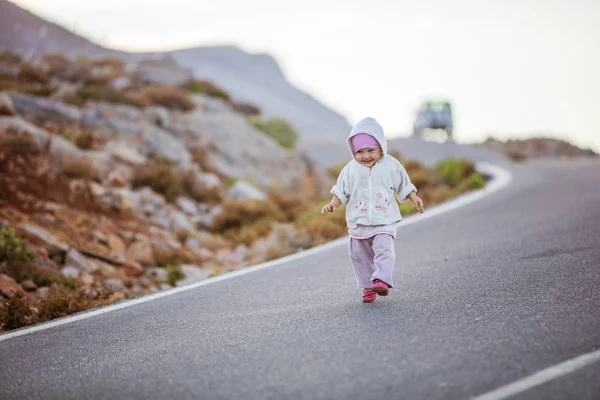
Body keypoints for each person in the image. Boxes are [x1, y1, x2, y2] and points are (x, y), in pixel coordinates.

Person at [321, 117, 424, 303]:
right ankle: (368, 287)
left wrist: (414, 198)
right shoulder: (350, 170)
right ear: (353, 151)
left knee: (384, 249)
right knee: (359, 256)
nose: (366, 156)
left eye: (371, 150)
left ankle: (382, 280)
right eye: (360, 152)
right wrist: (333, 204)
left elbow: (404, 184)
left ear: (381, 148)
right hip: (358, 222)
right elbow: (341, 190)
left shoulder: (391, 165)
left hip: (384, 218)